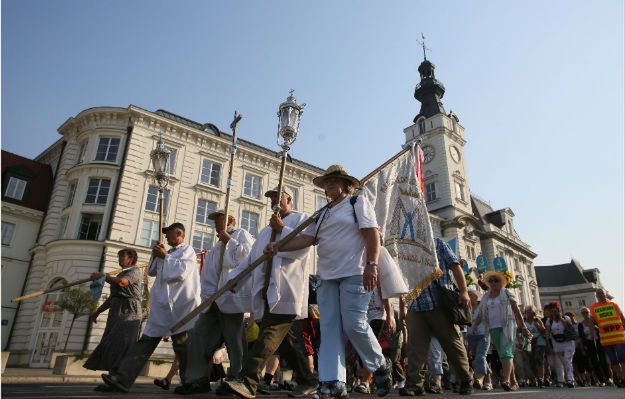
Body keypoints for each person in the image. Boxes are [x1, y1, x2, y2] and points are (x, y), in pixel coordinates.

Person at [262, 165, 392, 399]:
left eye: (334, 181)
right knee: (329, 328)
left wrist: (372, 265)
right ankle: (333, 381)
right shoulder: (321, 214)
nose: (329, 185)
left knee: (354, 324)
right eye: (326, 182)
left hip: (355, 272)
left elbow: (373, 234)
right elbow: (306, 239)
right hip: (326, 276)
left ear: (345, 184)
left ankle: (379, 365)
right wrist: (278, 246)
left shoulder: (356, 203)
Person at [222, 186, 319, 399]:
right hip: (265, 291)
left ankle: (248, 382)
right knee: (287, 342)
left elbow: (303, 248)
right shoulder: (266, 230)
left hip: (286, 290)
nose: (274, 200)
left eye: (278, 196)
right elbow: (252, 259)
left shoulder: (301, 219)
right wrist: (235, 278)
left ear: (289, 198)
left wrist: (282, 228)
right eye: (271, 197)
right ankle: (308, 379)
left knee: (268, 336)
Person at [100, 222, 201, 393]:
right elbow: (152, 271)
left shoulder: (187, 251)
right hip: (162, 306)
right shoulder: (167, 253)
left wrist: (165, 257)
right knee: (145, 342)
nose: (166, 237)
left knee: (182, 346)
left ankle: (189, 382)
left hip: (181, 306)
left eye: (168, 234)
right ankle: (123, 378)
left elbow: (181, 273)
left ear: (178, 234)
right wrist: (156, 255)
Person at [175, 210, 254, 395]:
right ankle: (198, 379)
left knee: (235, 341)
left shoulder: (241, 233)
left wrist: (229, 240)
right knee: (198, 336)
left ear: (231, 220)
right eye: (215, 220)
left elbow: (248, 257)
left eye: (219, 218)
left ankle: (236, 379)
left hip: (230, 297)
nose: (216, 223)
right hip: (212, 299)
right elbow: (210, 274)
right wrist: (206, 296)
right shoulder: (216, 246)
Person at [400, 237, 474, 396]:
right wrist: (404, 305)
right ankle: (414, 384)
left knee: (452, 344)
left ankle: (466, 379)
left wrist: (463, 291)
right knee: (415, 347)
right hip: (415, 304)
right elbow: (404, 278)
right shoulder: (405, 247)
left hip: (438, 302)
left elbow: (455, 266)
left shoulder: (437, 242)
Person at [85, 248, 144, 392]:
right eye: (119, 256)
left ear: (131, 258)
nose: (119, 259)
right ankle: (112, 381)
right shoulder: (121, 273)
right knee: (110, 343)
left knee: (122, 343)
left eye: (122, 256)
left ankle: (121, 380)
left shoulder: (134, 271)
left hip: (129, 312)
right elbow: (113, 297)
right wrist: (97, 312)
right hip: (116, 311)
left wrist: (103, 276)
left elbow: (123, 283)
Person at [473, 270, 531, 391]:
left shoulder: (507, 293)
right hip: (493, 328)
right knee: (504, 356)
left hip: (507, 326)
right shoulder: (486, 296)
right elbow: (481, 313)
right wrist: (474, 326)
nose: (493, 283)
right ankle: (513, 381)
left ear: (501, 282)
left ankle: (505, 380)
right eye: (491, 281)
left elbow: (516, 310)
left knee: (505, 353)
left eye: (496, 280)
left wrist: (524, 327)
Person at [589, 288, 625, 387]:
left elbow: (622, 317)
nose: (600, 295)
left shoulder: (613, 305)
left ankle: (623, 377)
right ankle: (620, 377)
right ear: (596, 296)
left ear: (605, 294)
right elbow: (592, 321)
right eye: (598, 294)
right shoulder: (593, 307)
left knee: (622, 358)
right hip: (606, 338)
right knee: (613, 360)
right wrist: (592, 332)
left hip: (618, 336)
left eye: (602, 293)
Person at [545, 302, 576, 388]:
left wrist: (560, 318)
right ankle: (567, 378)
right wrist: (548, 344)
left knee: (567, 360)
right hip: (557, 343)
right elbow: (547, 333)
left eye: (556, 311)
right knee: (564, 362)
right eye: (552, 311)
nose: (554, 313)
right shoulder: (549, 321)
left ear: (559, 311)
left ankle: (570, 379)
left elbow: (568, 327)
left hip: (568, 343)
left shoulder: (566, 318)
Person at [466, 289, 489, 390]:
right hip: (471, 336)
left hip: (483, 334)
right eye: (468, 295)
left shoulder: (482, 306)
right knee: (478, 358)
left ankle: (479, 379)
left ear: (476, 296)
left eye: (471, 295)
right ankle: (488, 380)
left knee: (480, 356)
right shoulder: (466, 308)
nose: (469, 297)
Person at [578, 307, 607, 385]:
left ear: (589, 313)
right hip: (589, 343)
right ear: (582, 314)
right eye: (583, 313)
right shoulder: (581, 324)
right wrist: (583, 348)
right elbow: (580, 337)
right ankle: (602, 380)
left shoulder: (595, 321)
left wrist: (595, 327)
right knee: (594, 362)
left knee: (603, 360)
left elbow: (602, 328)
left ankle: (608, 377)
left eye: (586, 312)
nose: (585, 314)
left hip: (599, 342)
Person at [523, 306, 547, 388]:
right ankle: (536, 378)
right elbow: (519, 331)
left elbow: (544, 331)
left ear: (534, 313)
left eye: (531, 312)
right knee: (531, 361)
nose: (529, 313)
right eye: (527, 312)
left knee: (539, 359)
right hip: (529, 343)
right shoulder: (524, 322)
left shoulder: (537, 320)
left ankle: (541, 378)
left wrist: (538, 325)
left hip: (539, 342)